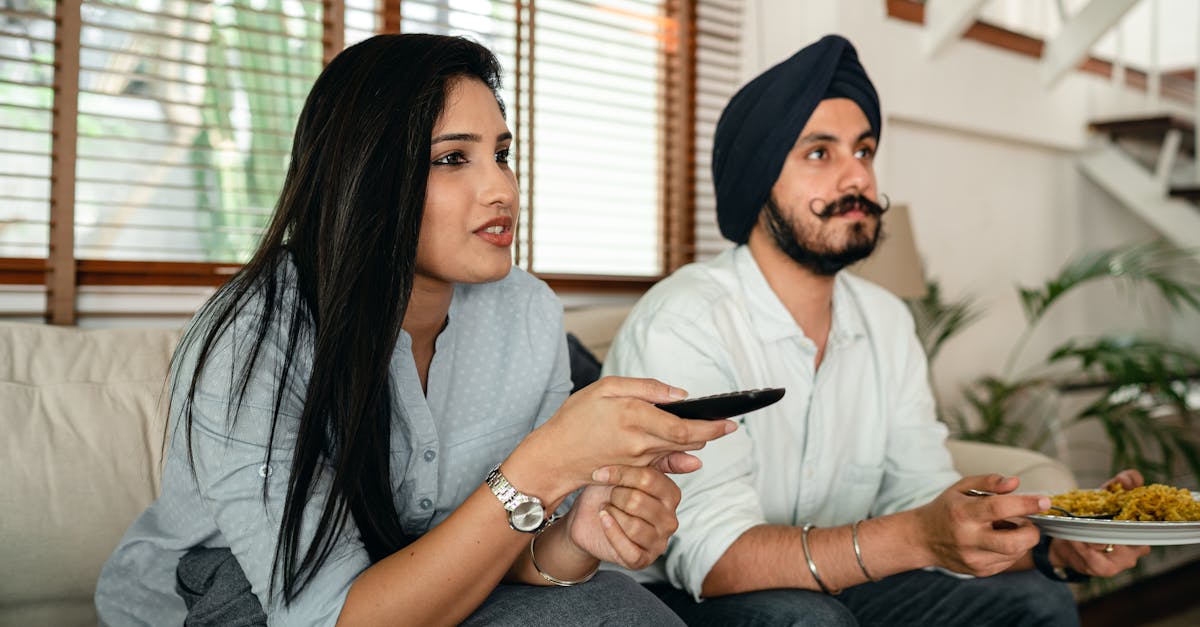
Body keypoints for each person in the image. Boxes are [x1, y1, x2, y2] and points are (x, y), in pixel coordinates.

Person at [94, 34, 735, 626]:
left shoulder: (528, 313)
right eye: (453, 158)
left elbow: (505, 547)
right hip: (235, 597)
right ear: (365, 175)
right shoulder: (254, 337)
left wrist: (575, 539)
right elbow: (328, 614)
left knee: (619, 606)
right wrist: (545, 463)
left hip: (421, 579)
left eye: (503, 154)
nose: (502, 188)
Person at [601, 34, 1149, 626]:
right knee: (804, 620)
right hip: (686, 598)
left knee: (1034, 600)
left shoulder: (885, 320)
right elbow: (715, 557)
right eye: (820, 154)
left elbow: (919, 495)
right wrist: (917, 537)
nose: (857, 178)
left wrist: (1053, 545)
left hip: (838, 582)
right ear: (758, 181)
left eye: (863, 151)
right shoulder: (686, 321)